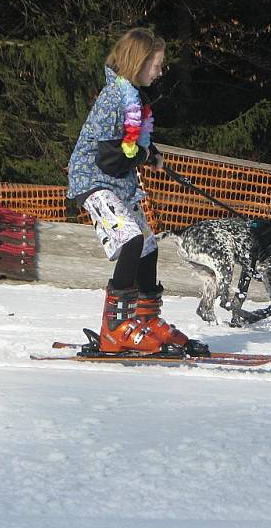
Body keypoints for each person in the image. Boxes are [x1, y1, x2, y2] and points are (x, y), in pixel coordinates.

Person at [67, 28, 204, 356]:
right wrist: (144, 155)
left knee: (148, 245)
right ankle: (114, 328)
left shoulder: (132, 95)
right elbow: (110, 154)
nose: (159, 71)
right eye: (156, 64)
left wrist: (150, 151)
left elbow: (133, 141)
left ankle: (146, 319)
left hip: (118, 183)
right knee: (130, 239)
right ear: (138, 62)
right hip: (94, 181)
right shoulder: (114, 96)